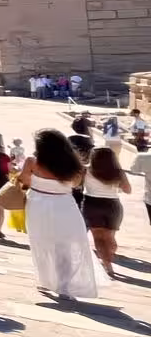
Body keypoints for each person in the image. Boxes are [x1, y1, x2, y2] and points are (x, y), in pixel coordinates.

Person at [19, 129, 98, 301]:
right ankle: (64, 285)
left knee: (41, 243)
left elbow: (24, 180)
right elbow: (76, 185)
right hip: (64, 205)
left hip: (38, 205)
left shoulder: (32, 161)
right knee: (65, 246)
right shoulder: (74, 165)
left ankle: (46, 280)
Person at [82, 146, 130, 281]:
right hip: (112, 205)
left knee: (98, 238)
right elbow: (128, 190)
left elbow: (75, 184)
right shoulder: (118, 172)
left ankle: (108, 265)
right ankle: (108, 257)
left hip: (91, 203)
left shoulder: (85, 170)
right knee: (110, 238)